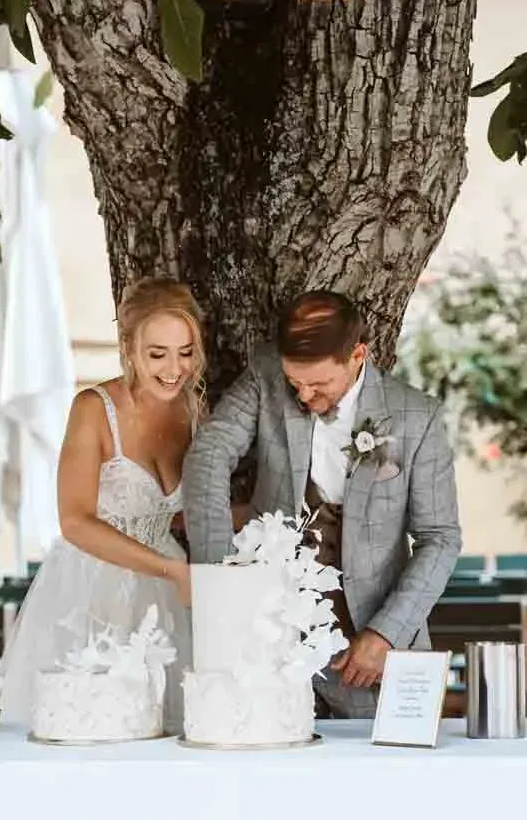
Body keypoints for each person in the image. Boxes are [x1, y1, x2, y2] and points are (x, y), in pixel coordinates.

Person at [182, 289, 461, 718]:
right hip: (269, 639)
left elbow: (439, 538)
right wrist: (220, 584)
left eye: (319, 384)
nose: (305, 398)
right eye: (296, 383)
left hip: (369, 650)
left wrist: (386, 633)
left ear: (359, 355)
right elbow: (208, 456)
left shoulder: (415, 417)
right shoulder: (265, 376)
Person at [0, 277, 206, 734]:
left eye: (185, 352)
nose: (174, 369)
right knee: (94, 722)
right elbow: (74, 521)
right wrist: (172, 571)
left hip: (168, 591)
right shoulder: (93, 408)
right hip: (93, 589)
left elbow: (180, 511)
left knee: (169, 729)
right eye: (157, 354)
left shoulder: (192, 407)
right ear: (128, 347)